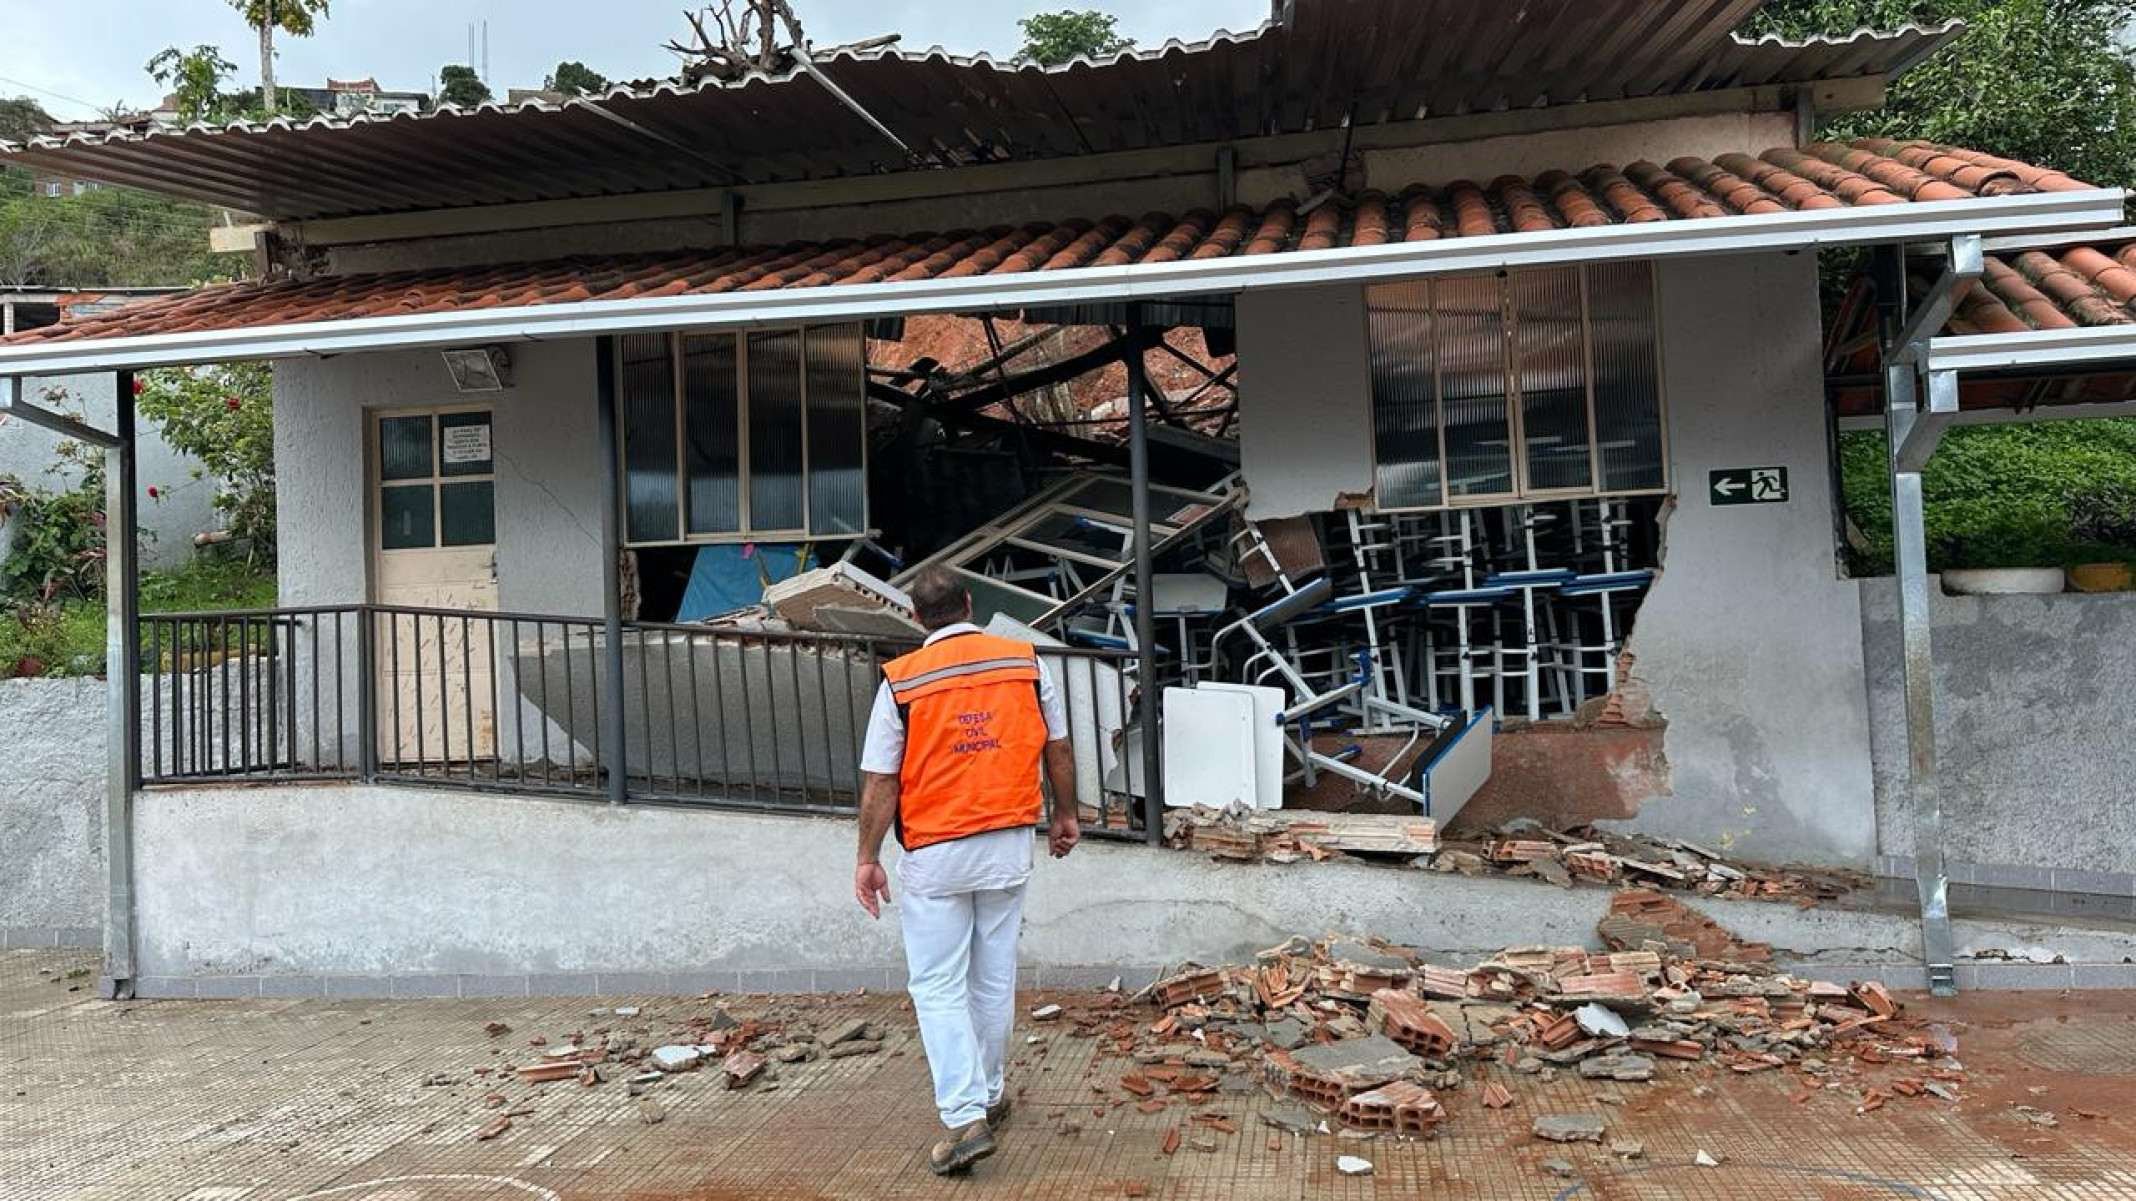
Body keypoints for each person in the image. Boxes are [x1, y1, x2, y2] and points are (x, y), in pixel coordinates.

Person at [854, 566, 1079, 1177]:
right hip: (1007, 841)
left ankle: (964, 1116)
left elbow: (881, 780)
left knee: (937, 984)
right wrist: (1066, 814)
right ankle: (991, 1091)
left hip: (935, 848)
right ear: (970, 603)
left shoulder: (901, 681)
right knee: (992, 975)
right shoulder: (1024, 662)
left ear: (917, 618)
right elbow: (1056, 747)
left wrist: (868, 857)